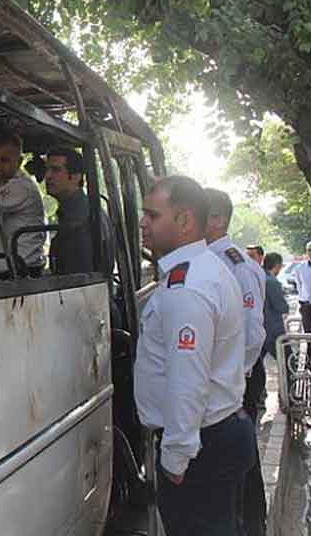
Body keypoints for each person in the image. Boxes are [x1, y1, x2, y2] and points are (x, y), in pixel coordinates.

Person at [135, 175, 254, 536]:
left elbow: (188, 379)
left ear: (185, 221)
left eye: (152, 216)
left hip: (201, 445)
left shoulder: (187, 287)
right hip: (219, 433)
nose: (142, 223)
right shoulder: (205, 268)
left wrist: (175, 455)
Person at [204, 188, 267, 536]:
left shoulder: (231, 263)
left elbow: (251, 333)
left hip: (237, 377)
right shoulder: (215, 260)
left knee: (237, 465)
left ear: (216, 220)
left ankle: (247, 526)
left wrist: (234, 376)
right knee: (242, 461)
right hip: (232, 376)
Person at [32, 147, 115, 275]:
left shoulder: (80, 217)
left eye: (55, 170)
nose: (47, 176)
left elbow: (78, 275)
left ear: (76, 177)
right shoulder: (84, 208)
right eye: (47, 169)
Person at [0, 130, 46, 277]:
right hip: (4, 273)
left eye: (4, 160)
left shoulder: (22, 187)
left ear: (20, 161)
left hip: (23, 274)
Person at [263, 252, 290, 361]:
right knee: (288, 362)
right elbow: (282, 307)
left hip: (260, 327)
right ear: (277, 265)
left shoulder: (259, 277)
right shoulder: (272, 282)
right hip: (273, 330)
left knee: (256, 365)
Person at [294, 241, 311, 333]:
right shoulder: (300, 268)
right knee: (308, 333)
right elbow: (299, 285)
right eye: (309, 250)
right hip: (306, 305)